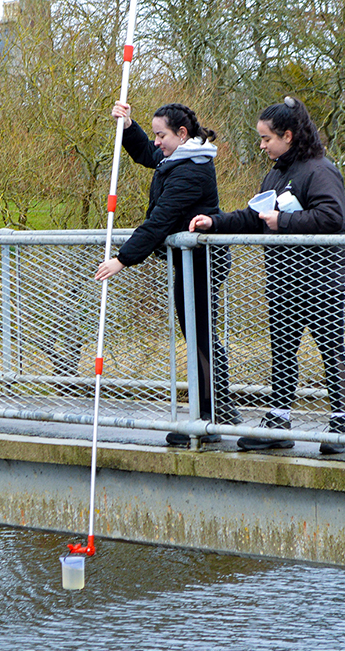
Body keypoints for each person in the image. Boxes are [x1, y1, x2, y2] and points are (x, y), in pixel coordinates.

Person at [189, 95, 345, 455]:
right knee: (283, 350)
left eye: (266, 138)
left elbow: (331, 218)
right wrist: (213, 222)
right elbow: (253, 216)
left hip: (322, 277)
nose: (262, 145)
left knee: (330, 348)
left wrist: (285, 221)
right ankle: (278, 421)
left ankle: (341, 424)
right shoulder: (276, 173)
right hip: (283, 278)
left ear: (288, 136)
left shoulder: (320, 170)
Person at [94, 101, 239, 447]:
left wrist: (122, 260)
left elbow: (160, 220)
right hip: (188, 262)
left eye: (162, 135)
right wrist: (129, 126)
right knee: (198, 336)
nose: (157, 141)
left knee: (201, 336)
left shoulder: (192, 169)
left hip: (204, 262)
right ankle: (216, 410)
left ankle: (209, 417)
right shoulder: (177, 157)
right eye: (156, 134)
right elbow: (146, 153)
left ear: (182, 134)